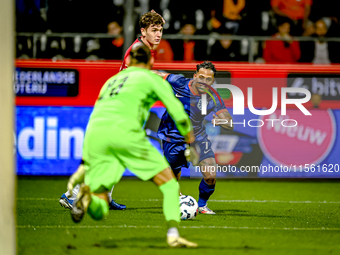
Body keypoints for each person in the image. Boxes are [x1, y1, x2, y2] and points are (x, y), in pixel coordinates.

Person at [67, 42, 197, 248]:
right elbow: (177, 112)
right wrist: (189, 138)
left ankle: (88, 198)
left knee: (101, 202)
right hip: (125, 134)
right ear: (151, 61)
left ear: (128, 61)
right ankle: (173, 235)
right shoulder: (150, 78)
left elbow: (96, 113)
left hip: (95, 136)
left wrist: (87, 156)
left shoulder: (112, 80)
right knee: (170, 185)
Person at [59, 10, 166, 210]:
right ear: (143, 31)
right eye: (154, 30)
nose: (158, 34)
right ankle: (72, 195)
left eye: (160, 30)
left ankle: (103, 196)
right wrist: (167, 78)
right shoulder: (139, 49)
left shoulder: (144, 48)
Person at [153, 61, 234, 214]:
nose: (204, 81)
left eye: (208, 79)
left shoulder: (213, 97)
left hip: (198, 137)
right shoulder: (178, 82)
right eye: (201, 77)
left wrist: (220, 121)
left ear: (213, 81)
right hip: (173, 135)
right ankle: (176, 201)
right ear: (195, 76)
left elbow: (230, 123)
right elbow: (157, 74)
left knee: (210, 176)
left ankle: (202, 205)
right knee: (173, 175)